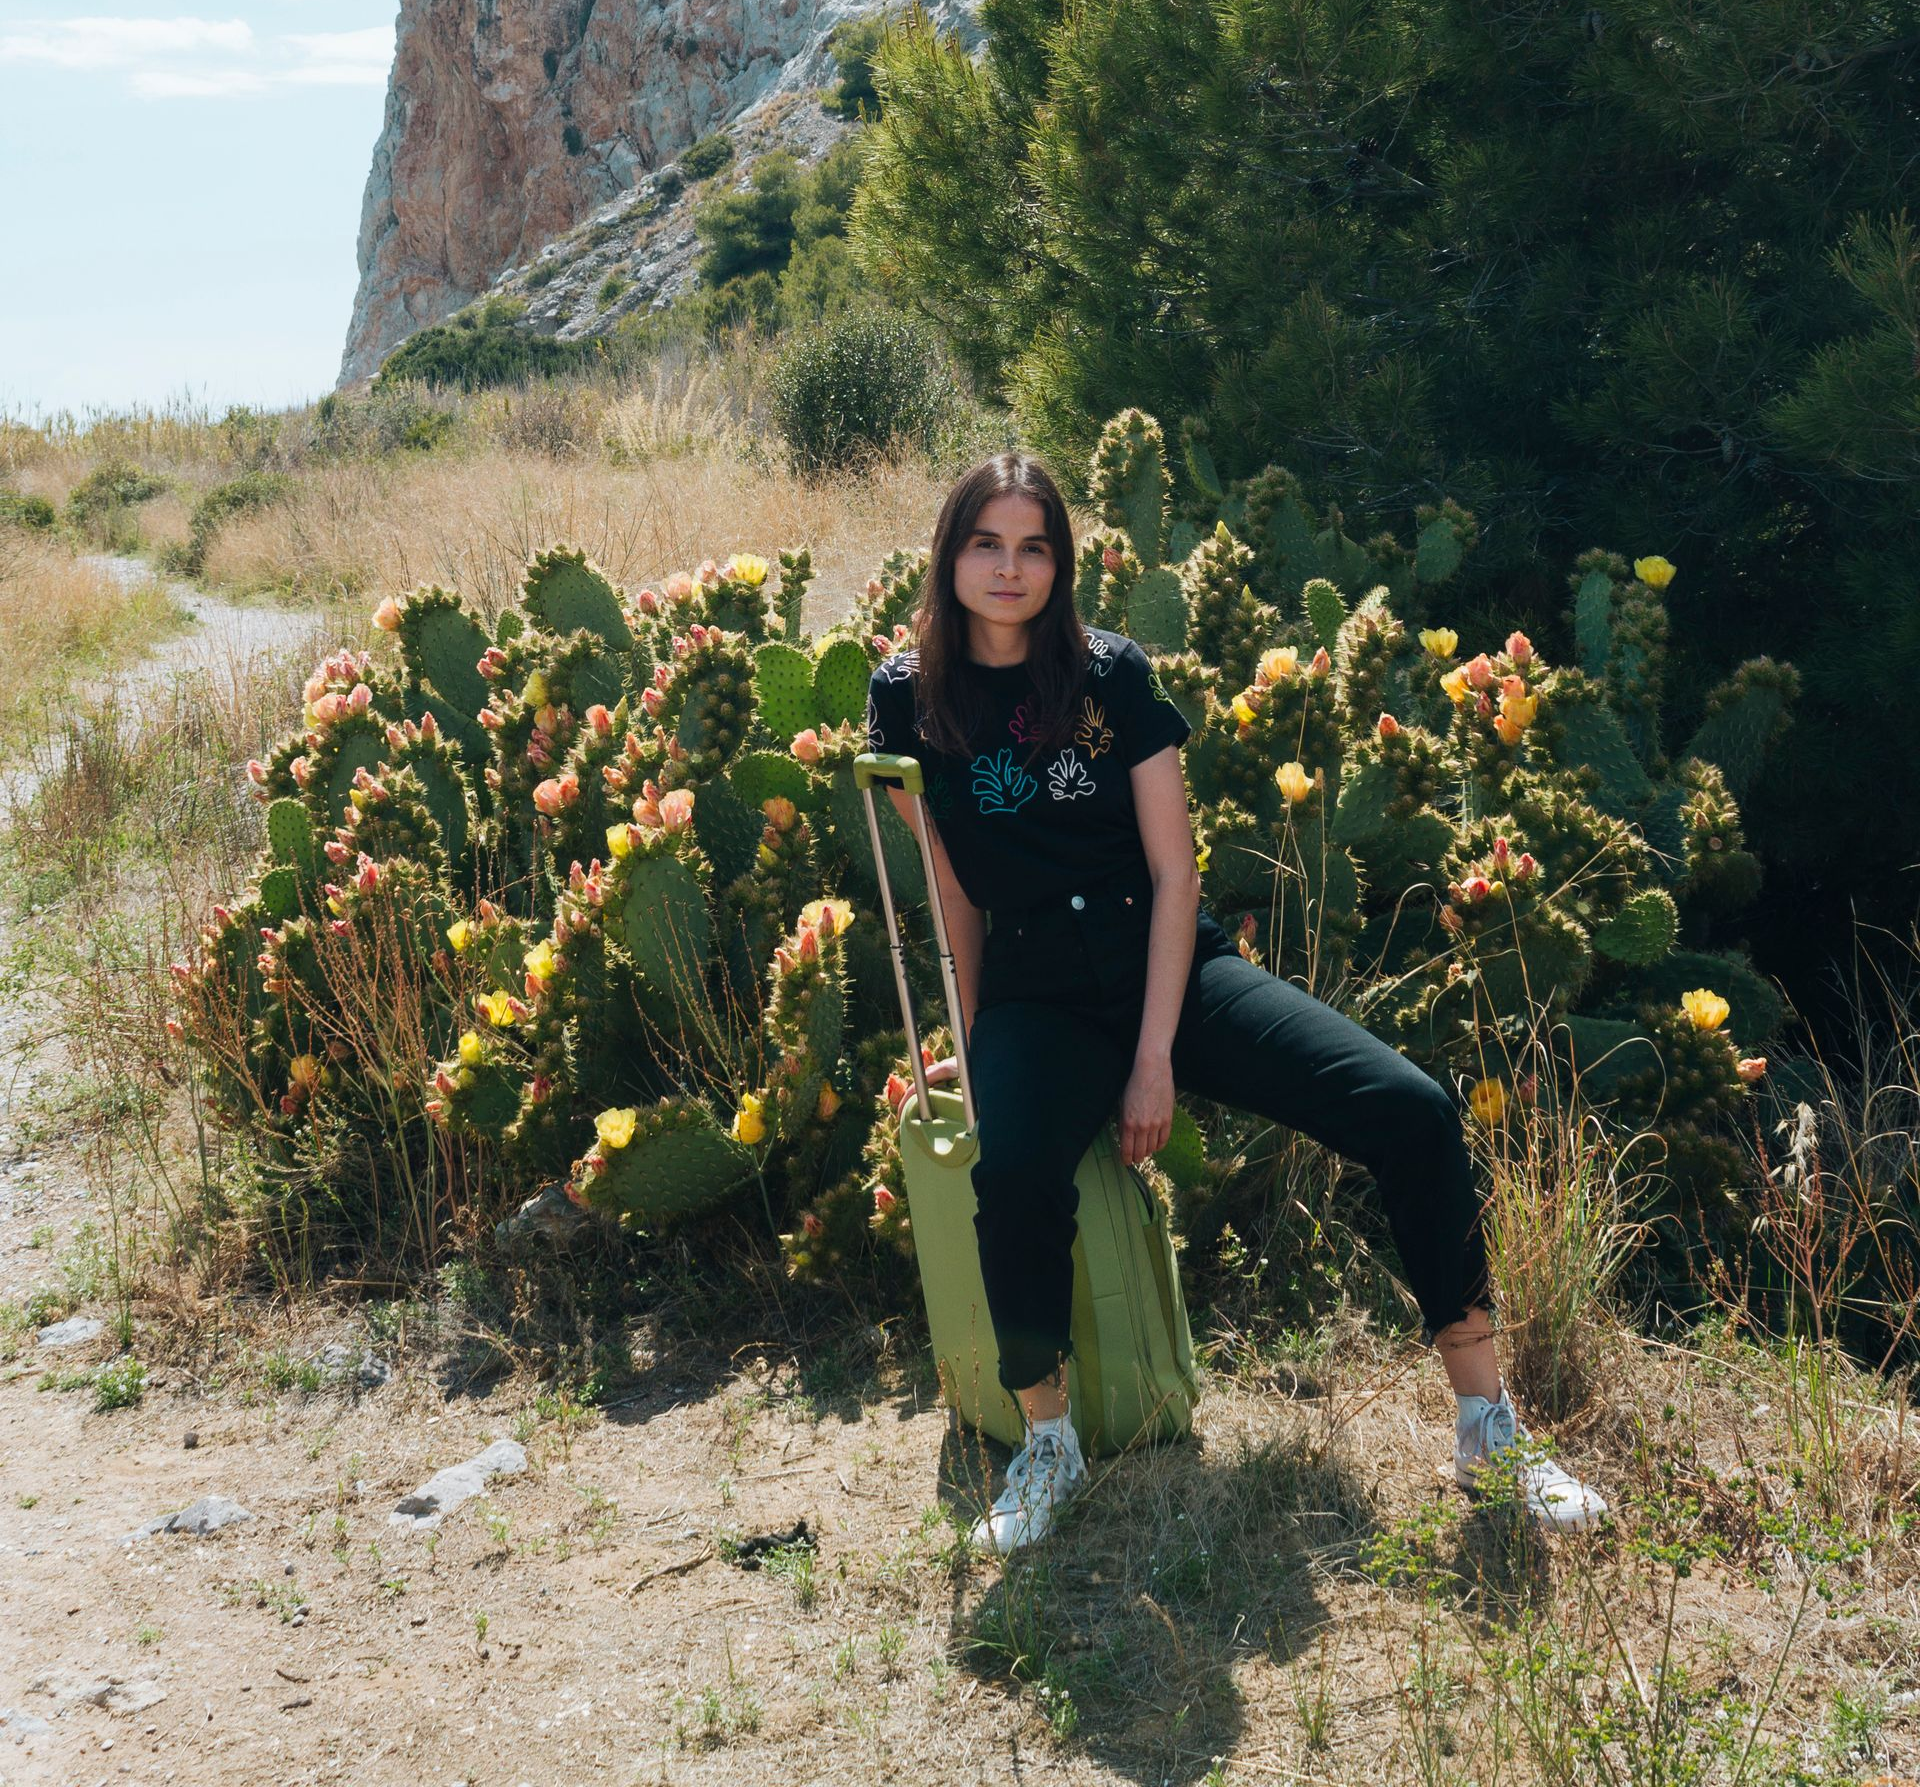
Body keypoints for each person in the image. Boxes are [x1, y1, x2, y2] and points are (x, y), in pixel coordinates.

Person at [864, 450, 1608, 1555]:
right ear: (950, 552)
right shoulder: (906, 693)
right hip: (1036, 993)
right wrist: (977, 1049)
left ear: (1060, 564)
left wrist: (1156, 1054)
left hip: (1171, 967)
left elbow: (1175, 873)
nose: (1009, 569)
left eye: (1034, 546)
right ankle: (1047, 1437)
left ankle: (1487, 1425)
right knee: (1010, 1170)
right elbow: (953, 892)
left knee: (1410, 1108)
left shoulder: (1110, 673)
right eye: (986, 543)